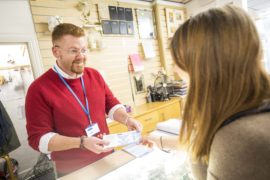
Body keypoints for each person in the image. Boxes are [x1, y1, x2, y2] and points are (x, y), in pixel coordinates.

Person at [25, 23, 143, 176]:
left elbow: (111, 105)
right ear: (56, 52)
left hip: (108, 157)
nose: (81, 56)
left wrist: (127, 119)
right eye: (73, 51)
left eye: (83, 50)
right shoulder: (39, 89)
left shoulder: (94, 75)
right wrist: (81, 142)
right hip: (74, 170)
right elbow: (38, 140)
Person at [171, 5, 270, 180]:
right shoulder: (253, 108)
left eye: (180, 63)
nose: (175, 70)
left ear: (206, 67)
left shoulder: (238, 140)